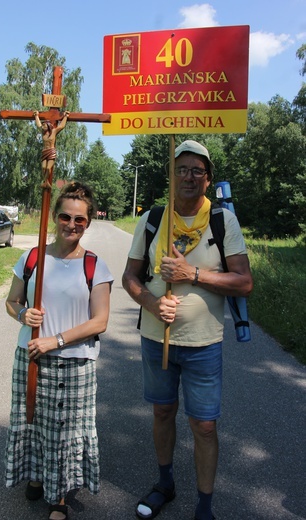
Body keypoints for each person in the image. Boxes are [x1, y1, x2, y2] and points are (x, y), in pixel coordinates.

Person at [122, 140, 253, 520]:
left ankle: (205, 507)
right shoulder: (152, 219)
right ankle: (165, 484)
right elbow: (131, 276)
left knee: (205, 425)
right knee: (163, 412)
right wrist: (150, 302)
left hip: (203, 344)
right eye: (182, 169)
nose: (189, 176)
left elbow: (244, 282)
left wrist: (191, 274)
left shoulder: (222, 221)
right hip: (154, 338)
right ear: (171, 174)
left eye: (198, 170)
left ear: (208, 180)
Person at [5, 181, 113, 520]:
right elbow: (12, 301)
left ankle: (60, 498)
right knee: (33, 423)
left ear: (89, 221)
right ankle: (37, 476)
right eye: (65, 217)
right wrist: (23, 314)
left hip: (74, 363)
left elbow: (100, 322)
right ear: (55, 217)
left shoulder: (95, 265)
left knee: (66, 432)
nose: (71, 224)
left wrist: (57, 340)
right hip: (31, 358)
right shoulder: (33, 256)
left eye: (80, 220)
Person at [33, 110, 70, 188]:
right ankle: (45, 182)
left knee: (48, 168)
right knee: (43, 168)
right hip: (44, 151)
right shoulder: (42, 132)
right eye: (43, 125)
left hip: (51, 151)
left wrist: (65, 117)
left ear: (48, 125)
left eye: (44, 125)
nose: (43, 126)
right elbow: (38, 124)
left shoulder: (54, 131)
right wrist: (36, 116)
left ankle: (45, 182)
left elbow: (61, 126)